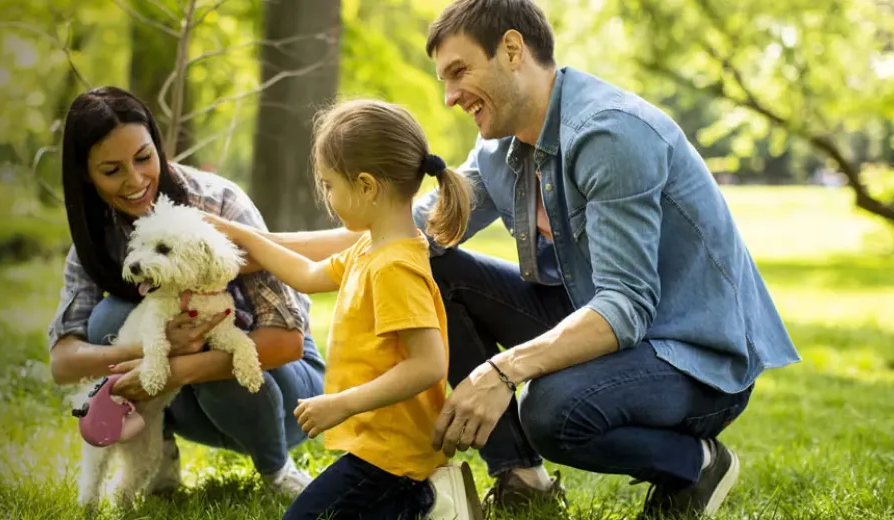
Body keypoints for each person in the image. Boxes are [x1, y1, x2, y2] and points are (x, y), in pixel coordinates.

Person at [251, 1, 802, 517]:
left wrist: (500, 370)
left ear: (512, 51)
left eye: (459, 71)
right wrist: (242, 244)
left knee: (552, 410)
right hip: (610, 326)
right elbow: (396, 233)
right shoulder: (502, 147)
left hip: (693, 355)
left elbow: (626, 307)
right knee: (436, 265)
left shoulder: (609, 135)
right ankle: (520, 477)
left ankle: (697, 464)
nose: (449, 96)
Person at [204, 98, 481, 520]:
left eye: (330, 184)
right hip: (376, 448)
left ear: (367, 186)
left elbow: (428, 364)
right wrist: (243, 234)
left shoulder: (394, 268)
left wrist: (343, 403)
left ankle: (427, 504)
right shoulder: (370, 248)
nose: (327, 196)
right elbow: (308, 274)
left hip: (391, 456)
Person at [46, 86, 324, 497]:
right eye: (112, 170)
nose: (135, 180)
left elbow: (287, 343)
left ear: (158, 147)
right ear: (87, 174)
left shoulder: (219, 205)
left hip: (282, 395)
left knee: (215, 340)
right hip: (192, 405)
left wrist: (175, 364)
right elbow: (63, 363)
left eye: (144, 158)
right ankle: (158, 462)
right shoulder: (96, 237)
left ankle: (278, 472)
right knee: (110, 318)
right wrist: (145, 354)